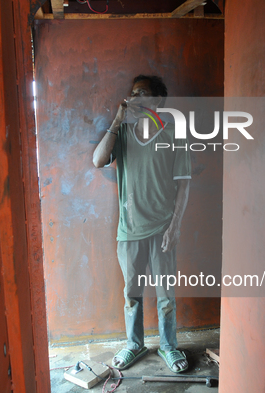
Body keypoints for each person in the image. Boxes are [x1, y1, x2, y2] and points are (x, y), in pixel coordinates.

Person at [92, 75, 191, 373]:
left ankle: (168, 346)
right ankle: (134, 344)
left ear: (157, 100)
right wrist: (118, 118)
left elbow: (184, 185)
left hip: (163, 228)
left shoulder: (173, 132)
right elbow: (98, 160)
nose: (134, 97)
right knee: (131, 293)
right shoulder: (122, 133)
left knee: (165, 295)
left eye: (142, 93)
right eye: (132, 93)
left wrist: (175, 227)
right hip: (129, 230)